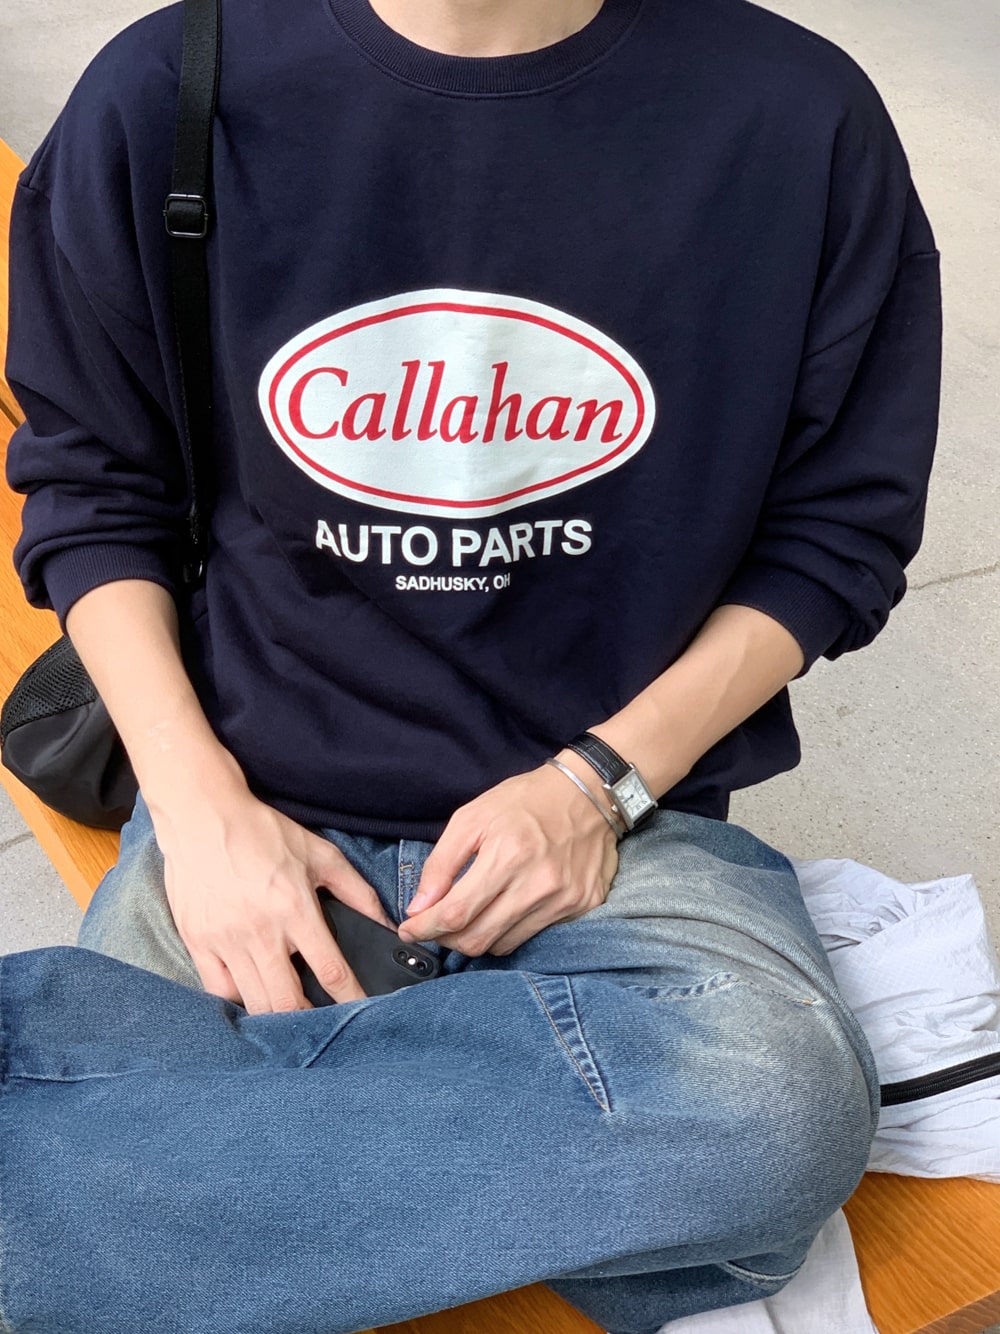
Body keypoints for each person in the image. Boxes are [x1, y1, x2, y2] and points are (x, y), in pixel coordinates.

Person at [3, 0, 940, 1330]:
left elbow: (837, 533)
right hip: (251, 808)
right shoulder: (164, 89)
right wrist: (200, 811)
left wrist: (596, 785)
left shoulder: (796, 116)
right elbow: (95, 494)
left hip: (629, 830)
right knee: (733, 1188)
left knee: (773, 1112)